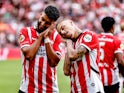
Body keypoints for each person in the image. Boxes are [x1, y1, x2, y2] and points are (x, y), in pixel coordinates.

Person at [18, 5, 62, 93]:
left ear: (53, 24)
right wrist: (42, 36)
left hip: (50, 90)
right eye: (42, 19)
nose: (42, 24)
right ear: (41, 14)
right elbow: (29, 55)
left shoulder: (56, 36)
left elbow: (53, 62)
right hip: (27, 89)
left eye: (47, 23)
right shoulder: (26, 32)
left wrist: (46, 39)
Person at [56, 19, 104, 93]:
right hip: (76, 88)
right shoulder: (71, 46)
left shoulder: (88, 35)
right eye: (60, 33)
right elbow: (66, 71)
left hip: (91, 88)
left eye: (63, 28)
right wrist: (68, 45)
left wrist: (68, 41)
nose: (62, 32)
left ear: (71, 23)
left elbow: (73, 55)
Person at [98, 16, 124, 93]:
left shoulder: (96, 38)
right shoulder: (115, 40)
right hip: (111, 79)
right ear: (113, 27)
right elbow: (120, 61)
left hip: (97, 78)